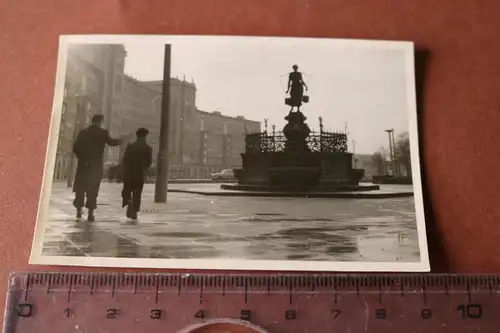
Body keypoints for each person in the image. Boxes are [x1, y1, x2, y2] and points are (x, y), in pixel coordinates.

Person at [72, 114, 122, 222]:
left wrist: (82, 157)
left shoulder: (83, 132)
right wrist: (122, 140)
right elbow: (111, 142)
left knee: (80, 188)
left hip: (83, 166)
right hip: (95, 166)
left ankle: (78, 210)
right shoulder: (103, 133)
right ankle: (90, 213)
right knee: (93, 189)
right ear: (100, 121)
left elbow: (75, 148)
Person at [121, 127, 153, 221]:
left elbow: (125, 160)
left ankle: (128, 201)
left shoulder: (130, 146)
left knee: (127, 190)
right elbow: (149, 163)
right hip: (139, 173)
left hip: (129, 173)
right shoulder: (148, 148)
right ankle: (135, 210)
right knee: (137, 192)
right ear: (145, 136)